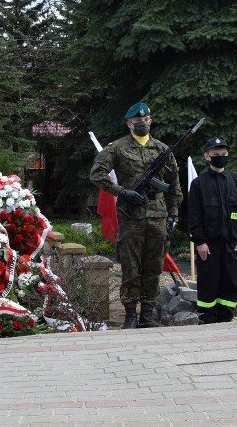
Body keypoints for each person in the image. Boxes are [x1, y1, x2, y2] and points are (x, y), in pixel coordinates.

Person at [90, 102, 183, 329]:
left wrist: (173, 214)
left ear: (151, 121)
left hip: (158, 217)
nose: (143, 123)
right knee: (131, 268)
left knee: (153, 267)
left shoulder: (163, 149)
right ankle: (130, 314)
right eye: (138, 120)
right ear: (129, 123)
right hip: (131, 217)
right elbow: (97, 174)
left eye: (146, 119)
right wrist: (123, 192)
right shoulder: (117, 148)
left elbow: (174, 186)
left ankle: (147, 315)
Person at [187, 137, 237, 324]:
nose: (221, 158)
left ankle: (226, 317)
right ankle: (208, 319)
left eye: (224, 154)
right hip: (209, 245)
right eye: (216, 155)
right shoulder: (199, 184)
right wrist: (200, 242)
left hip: (232, 244)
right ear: (207, 156)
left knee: (231, 282)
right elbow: (194, 216)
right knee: (208, 281)